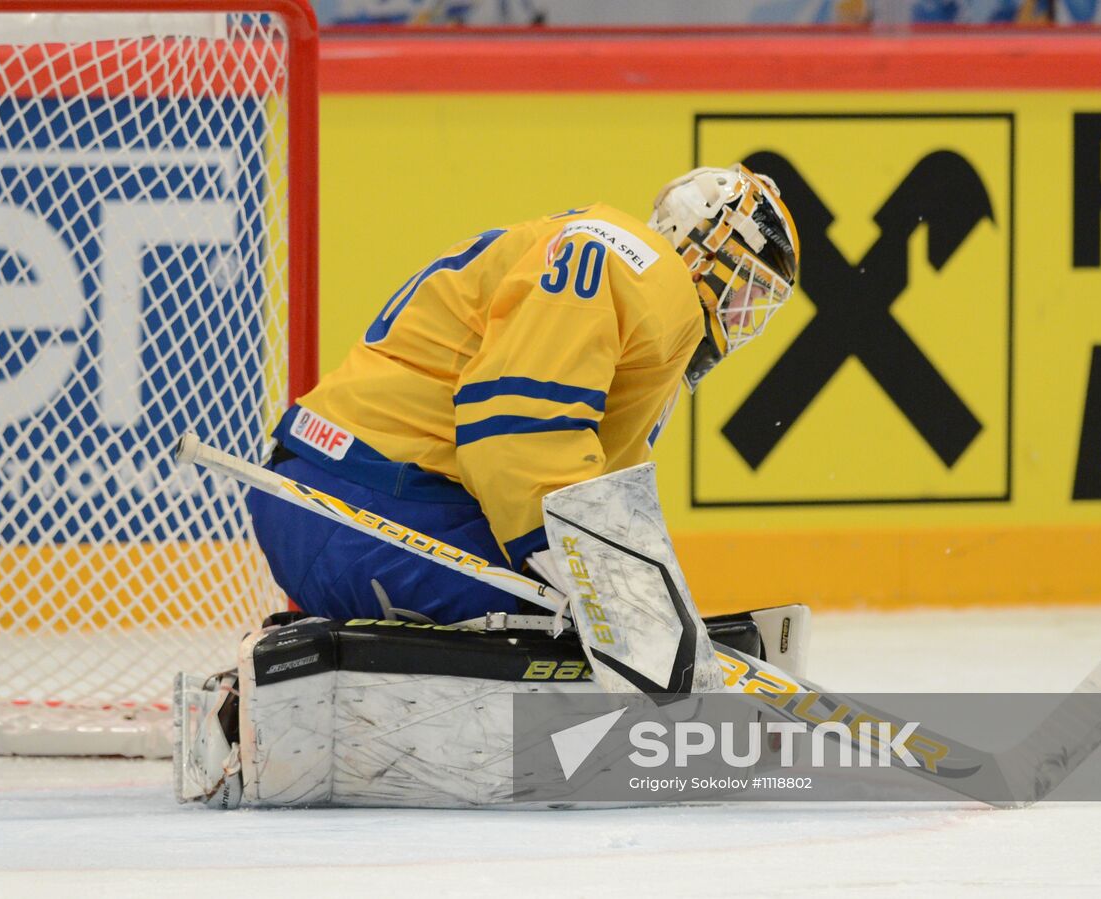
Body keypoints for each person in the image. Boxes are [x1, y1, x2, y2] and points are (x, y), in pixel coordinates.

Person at [246, 164, 800, 624]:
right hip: (359, 508)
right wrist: (591, 582)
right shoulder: (640, 267)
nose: (742, 314)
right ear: (698, 248)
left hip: (342, 493)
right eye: (743, 286)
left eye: (759, 301)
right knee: (559, 624)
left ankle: (293, 695)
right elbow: (516, 426)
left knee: (591, 605)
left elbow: (597, 478)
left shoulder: (638, 300)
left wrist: (636, 585)